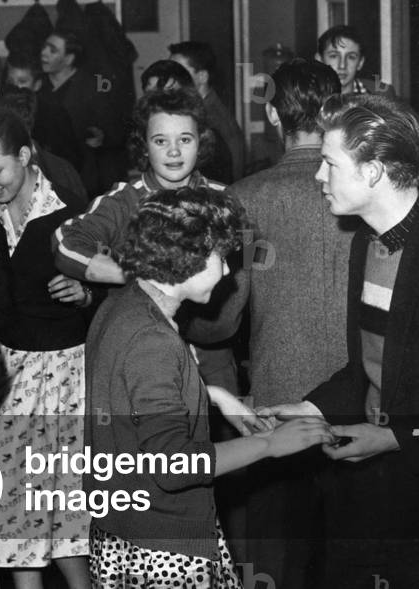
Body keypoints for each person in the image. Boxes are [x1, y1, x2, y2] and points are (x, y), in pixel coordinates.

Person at [84, 187, 333, 587]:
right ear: (190, 258)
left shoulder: (124, 305)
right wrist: (270, 445)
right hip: (166, 546)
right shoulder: (153, 339)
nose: (227, 271)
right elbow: (171, 466)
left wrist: (212, 395)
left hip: (125, 527)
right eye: (221, 257)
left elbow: (133, 390)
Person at [260, 93, 419, 588]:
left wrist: (396, 439)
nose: (318, 177)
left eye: (330, 163)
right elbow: (362, 370)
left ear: (372, 171)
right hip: (371, 480)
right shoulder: (364, 244)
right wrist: (306, 410)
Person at [221, 59, 351, 588]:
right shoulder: (362, 188)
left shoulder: (247, 195)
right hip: (359, 400)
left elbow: (225, 316)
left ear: (274, 114)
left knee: (279, 560)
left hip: (277, 403)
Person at [0, 108, 93, 589]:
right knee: (17, 520)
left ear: (25, 154)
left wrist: (87, 293)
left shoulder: (74, 212)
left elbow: (122, 291)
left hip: (65, 378)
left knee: (65, 516)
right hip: (5, 376)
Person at [54, 89, 243, 397]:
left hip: (211, 352)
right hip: (144, 347)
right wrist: (139, 273)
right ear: (144, 145)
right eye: (160, 141)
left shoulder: (223, 198)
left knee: (224, 434)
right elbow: (65, 244)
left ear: (201, 142)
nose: (173, 152)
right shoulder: (124, 200)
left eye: (185, 139)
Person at [38, 29, 122, 196]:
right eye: (45, 47)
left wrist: (101, 136)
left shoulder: (92, 88)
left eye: (52, 50)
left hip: (83, 178)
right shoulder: (38, 86)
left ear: (69, 59)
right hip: (46, 175)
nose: (43, 53)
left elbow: (115, 132)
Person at [169, 41, 245, 182]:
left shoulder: (210, 121)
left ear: (202, 77)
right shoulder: (196, 112)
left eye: (179, 73)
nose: (170, 81)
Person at [3, 51, 81, 172]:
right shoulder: (0, 111)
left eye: (22, 82)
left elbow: (66, 163)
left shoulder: (54, 116)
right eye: (10, 82)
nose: (15, 87)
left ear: (37, 85)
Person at [316, 25, 396, 97]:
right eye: (334, 56)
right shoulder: (306, 98)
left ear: (360, 63)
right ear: (319, 61)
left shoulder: (381, 95)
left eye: (351, 57)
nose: (342, 65)